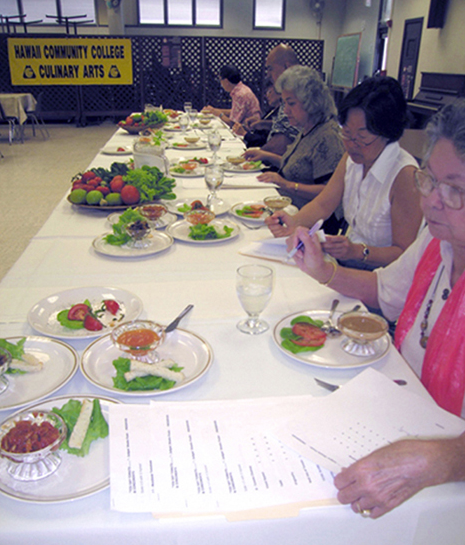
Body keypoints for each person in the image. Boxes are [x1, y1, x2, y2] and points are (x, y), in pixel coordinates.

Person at [287, 99, 465, 519]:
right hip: (406, 417)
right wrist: (323, 270)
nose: (432, 203)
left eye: (455, 190)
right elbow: (385, 289)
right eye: (430, 181)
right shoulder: (437, 242)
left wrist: (442, 459)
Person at [266, 76, 423, 270]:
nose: (350, 144)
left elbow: (404, 252)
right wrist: (292, 222)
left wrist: (357, 251)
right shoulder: (352, 158)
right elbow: (324, 203)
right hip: (348, 262)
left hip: (383, 276)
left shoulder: (405, 176)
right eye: (346, 133)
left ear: (388, 133)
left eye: (361, 137)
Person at [243, 66, 344, 211]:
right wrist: (265, 155)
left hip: (305, 216)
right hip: (285, 205)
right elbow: (297, 167)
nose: (285, 110)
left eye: (291, 103)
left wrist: (286, 184)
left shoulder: (327, 136)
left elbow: (331, 192)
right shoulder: (307, 128)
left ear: (311, 102)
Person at [260, 44, 300, 155]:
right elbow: (283, 126)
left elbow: (282, 144)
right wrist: (262, 124)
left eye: (270, 69)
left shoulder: (298, 92)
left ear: (287, 67)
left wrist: (256, 153)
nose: (268, 75)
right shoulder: (288, 90)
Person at [232, 83, 281, 148]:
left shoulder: (280, 114)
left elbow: (263, 140)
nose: (266, 96)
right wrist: (256, 122)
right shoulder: (272, 110)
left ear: (279, 93)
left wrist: (244, 133)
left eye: (269, 92)